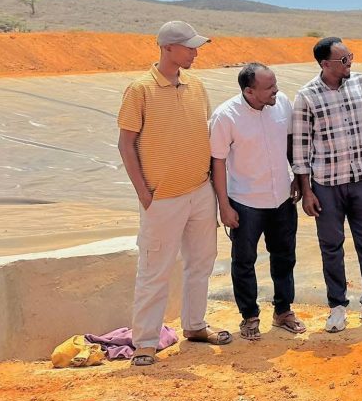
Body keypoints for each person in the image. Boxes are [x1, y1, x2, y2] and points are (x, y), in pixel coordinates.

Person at [117, 21, 232, 367]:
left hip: (200, 192)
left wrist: (213, 190)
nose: (195, 53)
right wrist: (144, 193)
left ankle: (195, 326)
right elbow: (126, 144)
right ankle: (145, 342)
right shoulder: (140, 90)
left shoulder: (196, 85)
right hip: (162, 198)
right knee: (155, 269)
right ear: (167, 48)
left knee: (201, 262)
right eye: (189, 47)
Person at [293, 37, 362, 331]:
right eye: (343, 60)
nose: (350, 62)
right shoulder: (307, 96)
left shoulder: (361, 83)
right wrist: (307, 191)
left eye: (350, 56)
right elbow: (301, 148)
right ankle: (337, 306)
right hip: (327, 184)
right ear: (325, 64)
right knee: (331, 246)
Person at [209, 63, 305, 341]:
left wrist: (297, 177)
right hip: (245, 202)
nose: (276, 90)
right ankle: (249, 316)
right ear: (249, 91)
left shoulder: (282, 103)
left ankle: (283, 311)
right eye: (269, 87)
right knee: (244, 261)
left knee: (285, 257)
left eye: (275, 84)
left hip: (282, 199)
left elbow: (290, 142)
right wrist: (224, 206)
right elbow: (217, 162)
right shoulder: (226, 116)